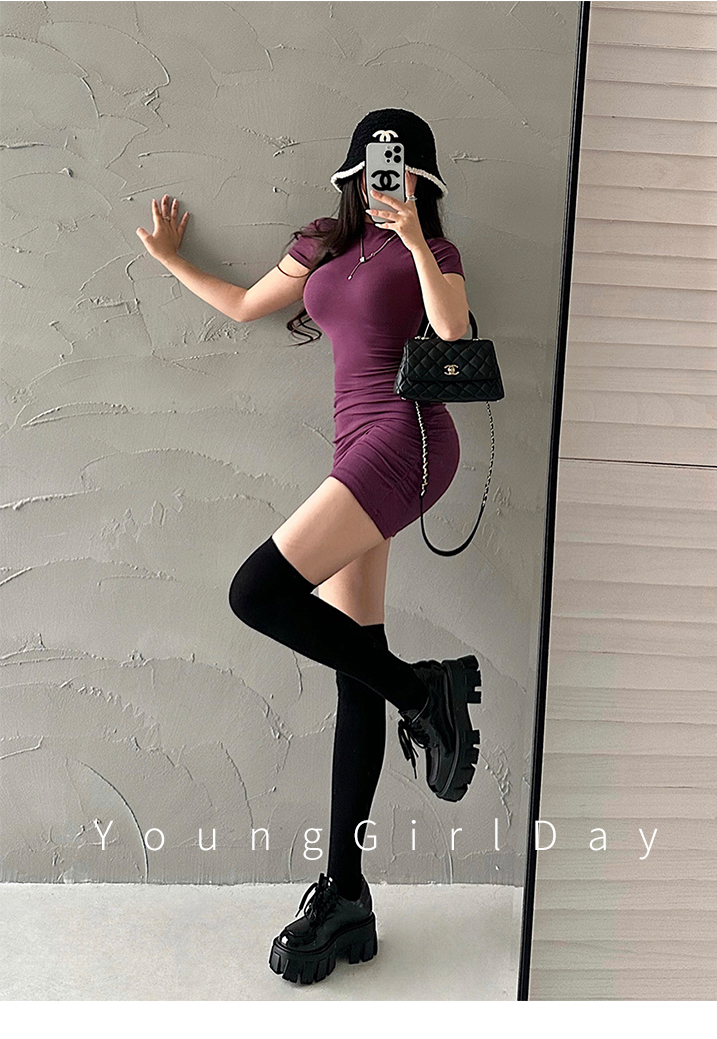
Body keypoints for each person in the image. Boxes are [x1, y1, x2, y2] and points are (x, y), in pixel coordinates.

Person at [136, 108, 482, 986]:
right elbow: (248, 303)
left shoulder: (433, 251)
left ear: (422, 180)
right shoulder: (326, 243)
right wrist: (174, 260)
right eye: (373, 163)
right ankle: (347, 892)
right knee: (353, 665)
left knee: (255, 592)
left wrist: (414, 239)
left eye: (401, 168)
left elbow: (451, 333)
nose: (383, 177)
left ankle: (424, 693)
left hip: (407, 440)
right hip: (352, 448)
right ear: (352, 169)